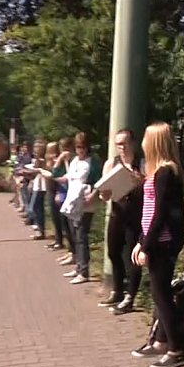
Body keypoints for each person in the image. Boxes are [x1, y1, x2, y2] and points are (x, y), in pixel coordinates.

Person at [130, 122, 184, 367]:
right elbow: (148, 211)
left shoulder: (166, 172)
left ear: (154, 142)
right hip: (155, 241)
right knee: (159, 293)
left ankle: (176, 348)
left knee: (162, 296)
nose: (142, 142)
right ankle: (161, 340)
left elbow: (160, 214)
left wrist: (146, 245)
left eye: (145, 137)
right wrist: (140, 241)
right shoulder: (156, 172)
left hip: (163, 244)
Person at [91, 128, 144, 314]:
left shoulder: (142, 164)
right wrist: (104, 193)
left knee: (133, 257)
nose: (121, 147)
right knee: (113, 253)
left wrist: (141, 182)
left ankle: (131, 296)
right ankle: (117, 291)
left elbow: (151, 189)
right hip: (117, 215)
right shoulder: (111, 164)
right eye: (118, 144)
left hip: (136, 217)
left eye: (124, 143)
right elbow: (104, 194)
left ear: (133, 144)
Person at [58, 132, 96, 284]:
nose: (81, 150)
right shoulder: (74, 161)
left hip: (85, 203)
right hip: (72, 202)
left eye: (83, 147)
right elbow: (66, 177)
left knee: (81, 236)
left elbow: (98, 181)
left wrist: (93, 195)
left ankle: (84, 271)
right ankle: (78, 266)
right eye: (78, 147)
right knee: (74, 234)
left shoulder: (92, 162)